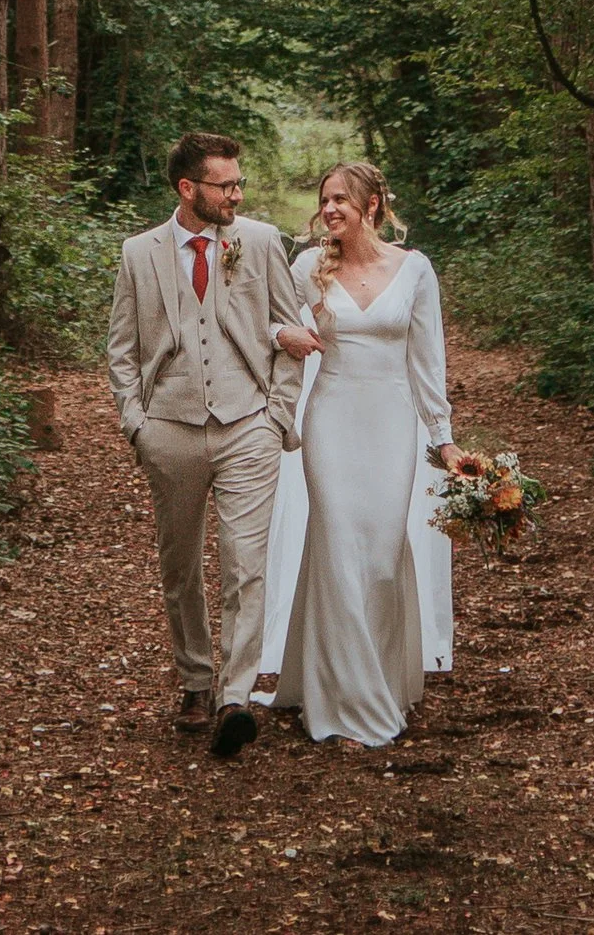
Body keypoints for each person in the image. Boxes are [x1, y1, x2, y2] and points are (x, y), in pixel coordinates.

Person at [106, 132, 321, 759]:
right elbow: (121, 351)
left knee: (244, 563)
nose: (236, 193)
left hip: (247, 423)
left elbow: (290, 327)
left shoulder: (258, 241)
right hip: (169, 429)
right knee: (180, 567)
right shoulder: (138, 253)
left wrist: (279, 413)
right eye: (224, 185)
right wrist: (137, 424)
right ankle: (196, 678)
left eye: (238, 183)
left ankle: (236, 694)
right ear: (187, 189)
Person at [263, 161, 463, 750]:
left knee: (379, 556)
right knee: (339, 548)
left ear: (372, 205)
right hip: (331, 422)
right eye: (324, 199)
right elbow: (264, 318)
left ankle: (378, 676)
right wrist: (285, 335)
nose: (329, 209)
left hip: (391, 424)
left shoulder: (414, 269)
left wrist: (442, 435)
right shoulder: (307, 268)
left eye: (341, 200)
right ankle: (349, 703)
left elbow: (428, 362)